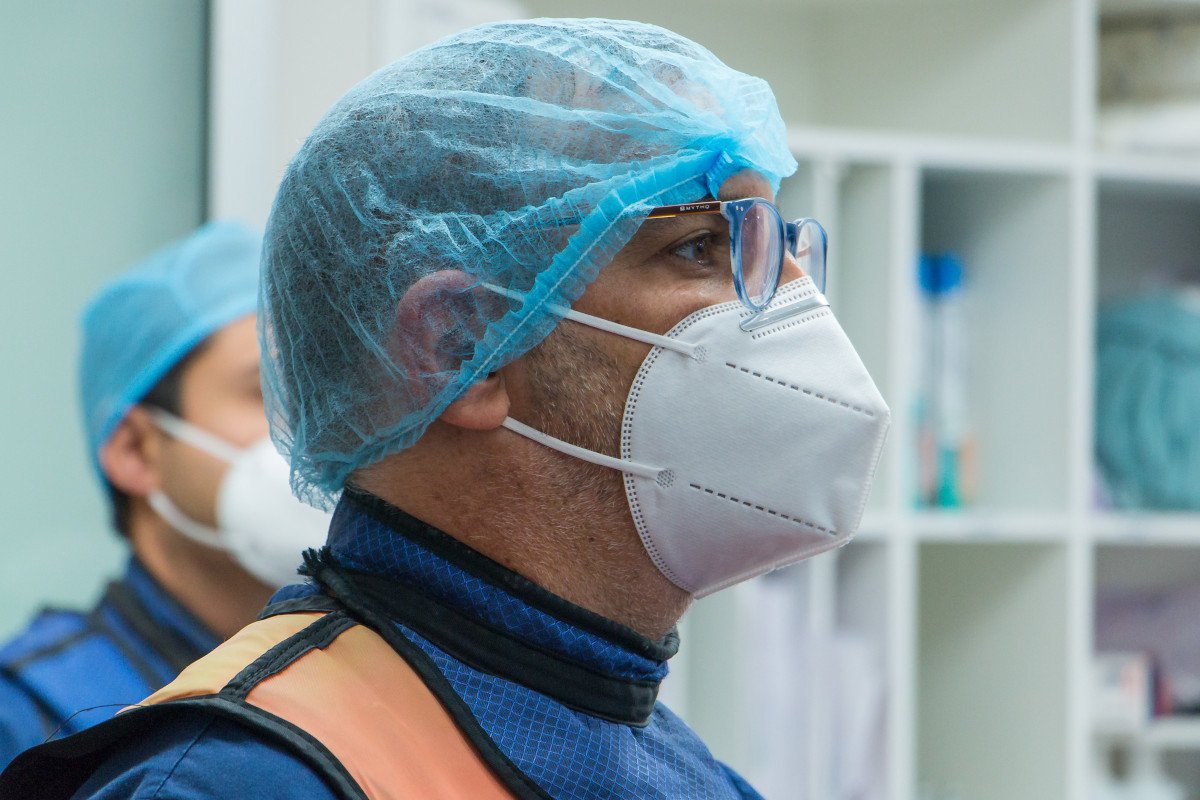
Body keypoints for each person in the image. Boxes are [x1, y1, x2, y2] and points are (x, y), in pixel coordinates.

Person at [0, 18, 889, 799]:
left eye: (777, 244)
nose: (791, 302)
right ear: (460, 347)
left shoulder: (661, 752)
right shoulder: (245, 779)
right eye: (699, 247)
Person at [0, 222, 330, 770]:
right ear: (136, 450)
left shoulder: (366, 675)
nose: (314, 430)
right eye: (268, 392)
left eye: (321, 392)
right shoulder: (32, 718)